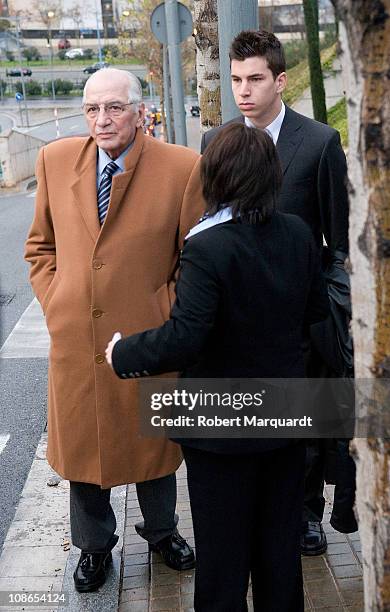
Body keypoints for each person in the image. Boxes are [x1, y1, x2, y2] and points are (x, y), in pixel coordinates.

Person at [105, 124, 330, 611]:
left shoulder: (207, 247)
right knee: (279, 553)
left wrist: (123, 353)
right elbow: (316, 312)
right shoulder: (298, 234)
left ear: (218, 177)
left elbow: (186, 337)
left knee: (224, 560)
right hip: (288, 414)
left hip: (219, 421)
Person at [24, 68, 204, 592]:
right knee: (84, 450)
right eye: (93, 110)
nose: (102, 121)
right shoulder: (55, 161)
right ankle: (94, 547)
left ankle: (163, 533)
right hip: (76, 339)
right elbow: (40, 247)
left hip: (149, 338)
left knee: (154, 446)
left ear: (139, 110)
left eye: (114, 108)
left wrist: (163, 310)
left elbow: (194, 257)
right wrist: (58, 301)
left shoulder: (182, 167)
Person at [201, 29, 352, 556]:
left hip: (300, 313)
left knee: (301, 416)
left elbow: (338, 234)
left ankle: (306, 511)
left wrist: (331, 309)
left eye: (255, 79)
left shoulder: (318, 143)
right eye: (237, 80)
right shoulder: (216, 142)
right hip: (235, 316)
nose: (244, 91)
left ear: (280, 80)